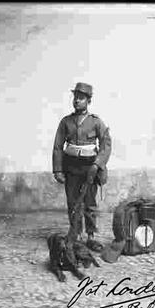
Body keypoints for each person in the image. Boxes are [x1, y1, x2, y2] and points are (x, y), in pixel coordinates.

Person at [52, 82, 112, 245]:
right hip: (71, 167)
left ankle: (91, 235)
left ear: (88, 101)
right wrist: (58, 170)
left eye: (81, 98)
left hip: (89, 167)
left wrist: (97, 164)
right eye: (75, 98)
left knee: (89, 202)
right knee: (73, 201)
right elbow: (58, 146)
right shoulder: (66, 122)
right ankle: (75, 232)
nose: (77, 101)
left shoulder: (96, 122)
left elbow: (106, 145)